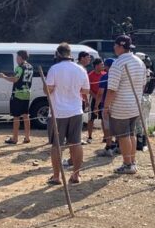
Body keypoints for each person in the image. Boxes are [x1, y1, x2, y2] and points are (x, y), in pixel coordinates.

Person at [45, 43, 90, 185]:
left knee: (56, 145)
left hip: (58, 112)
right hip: (76, 110)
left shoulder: (54, 68)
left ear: (58, 54)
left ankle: (56, 176)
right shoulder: (80, 69)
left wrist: (47, 89)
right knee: (76, 143)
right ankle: (76, 175)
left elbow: (49, 89)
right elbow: (86, 91)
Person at [103, 35, 146, 175]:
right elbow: (143, 83)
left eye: (115, 45)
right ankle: (132, 161)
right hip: (135, 104)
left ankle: (127, 164)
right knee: (131, 133)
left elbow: (112, 89)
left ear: (120, 47)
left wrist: (106, 106)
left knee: (123, 136)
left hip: (121, 106)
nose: (114, 48)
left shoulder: (118, 64)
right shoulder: (139, 62)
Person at [0, 50, 33, 145]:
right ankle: (27, 137)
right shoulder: (30, 67)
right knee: (26, 115)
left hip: (18, 94)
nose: (16, 59)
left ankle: (15, 138)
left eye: (17, 57)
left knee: (16, 116)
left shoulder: (19, 67)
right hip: (27, 93)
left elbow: (15, 79)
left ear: (20, 57)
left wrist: (3, 76)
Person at [97, 58, 117, 156]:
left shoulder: (105, 77)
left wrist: (96, 105)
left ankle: (109, 146)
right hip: (117, 105)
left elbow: (100, 93)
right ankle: (119, 145)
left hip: (106, 104)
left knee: (107, 126)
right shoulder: (119, 76)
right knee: (118, 125)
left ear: (108, 67)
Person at [86, 58, 106, 144]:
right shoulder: (90, 75)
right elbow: (88, 88)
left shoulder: (105, 74)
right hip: (93, 98)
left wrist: (101, 98)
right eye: (101, 64)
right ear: (96, 66)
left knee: (104, 118)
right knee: (91, 118)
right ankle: (90, 136)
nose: (103, 66)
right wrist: (96, 97)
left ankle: (105, 136)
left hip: (103, 99)